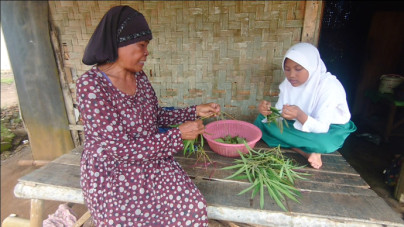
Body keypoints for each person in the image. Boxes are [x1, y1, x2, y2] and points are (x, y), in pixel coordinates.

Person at [76, 6, 220, 226]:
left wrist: (193, 111)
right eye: (141, 45)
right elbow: (120, 150)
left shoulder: (139, 77)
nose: (146, 52)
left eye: (147, 46)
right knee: (124, 221)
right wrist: (178, 135)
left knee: (194, 209)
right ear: (118, 43)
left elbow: (153, 116)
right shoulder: (91, 85)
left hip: (151, 162)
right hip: (113, 173)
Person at [254, 42, 356, 169]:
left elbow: (322, 127)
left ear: (311, 66)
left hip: (330, 129)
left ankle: (309, 147)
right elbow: (280, 116)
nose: (291, 75)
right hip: (299, 124)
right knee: (261, 122)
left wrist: (300, 115)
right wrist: (268, 113)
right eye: (287, 69)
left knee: (323, 143)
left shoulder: (329, 86)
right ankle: (306, 152)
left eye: (298, 69)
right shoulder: (288, 83)